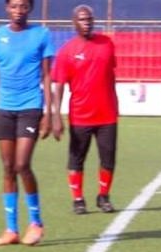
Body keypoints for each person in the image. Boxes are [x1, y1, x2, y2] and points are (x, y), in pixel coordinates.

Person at [0, 0, 56, 247]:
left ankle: (36, 223)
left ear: (29, 8)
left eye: (23, 6)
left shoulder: (41, 34)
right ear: (7, 8)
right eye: (14, 6)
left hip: (31, 106)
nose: (18, 11)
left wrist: (49, 113)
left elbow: (46, 75)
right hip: (5, 109)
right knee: (8, 167)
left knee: (23, 164)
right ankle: (11, 229)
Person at [50, 4, 118, 214]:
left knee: (108, 158)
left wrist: (116, 103)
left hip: (107, 115)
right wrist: (56, 116)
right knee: (77, 158)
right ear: (74, 22)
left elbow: (111, 75)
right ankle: (78, 199)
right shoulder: (67, 51)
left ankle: (103, 197)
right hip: (80, 116)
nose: (86, 23)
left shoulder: (107, 44)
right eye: (82, 19)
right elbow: (59, 85)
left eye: (89, 19)